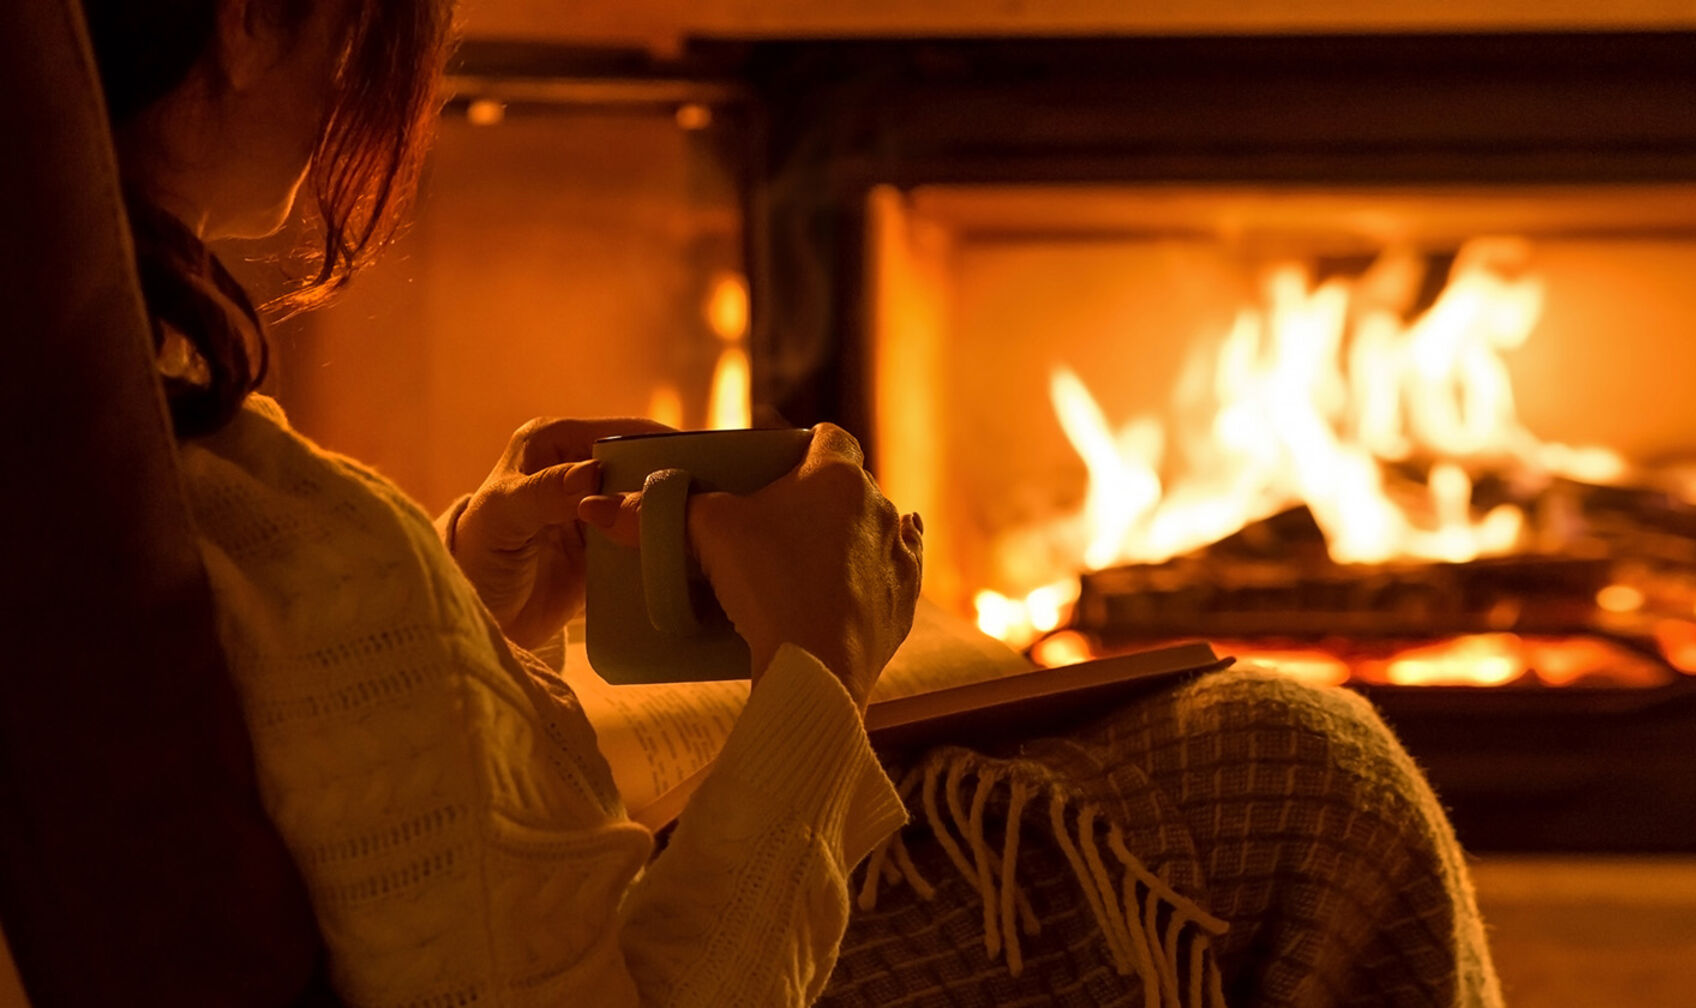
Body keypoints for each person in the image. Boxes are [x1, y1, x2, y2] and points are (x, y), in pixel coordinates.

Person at [84, 0, 1502, 1005]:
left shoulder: (113, 439)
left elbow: (288, 759)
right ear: (249, 16)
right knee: (1309, 774)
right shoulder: (274, 517)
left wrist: (463, 618)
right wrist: (815, 666)